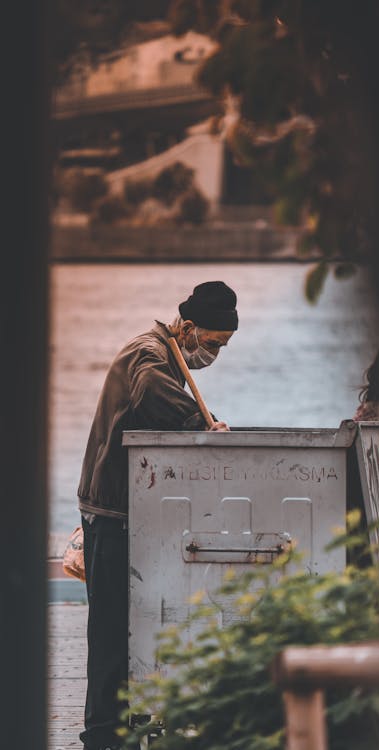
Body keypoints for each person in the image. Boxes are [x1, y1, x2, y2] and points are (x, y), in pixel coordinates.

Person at [77, 281, 238, 750]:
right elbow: (150, 389)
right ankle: (103, 735)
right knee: (110, 630)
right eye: (212, 343)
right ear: (187, 328)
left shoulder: (170, 355)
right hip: (110, 511)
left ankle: (127, 722)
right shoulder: (148, 354)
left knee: (133, 625)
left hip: (131, 511)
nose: (214, 354)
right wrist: (200, 426)